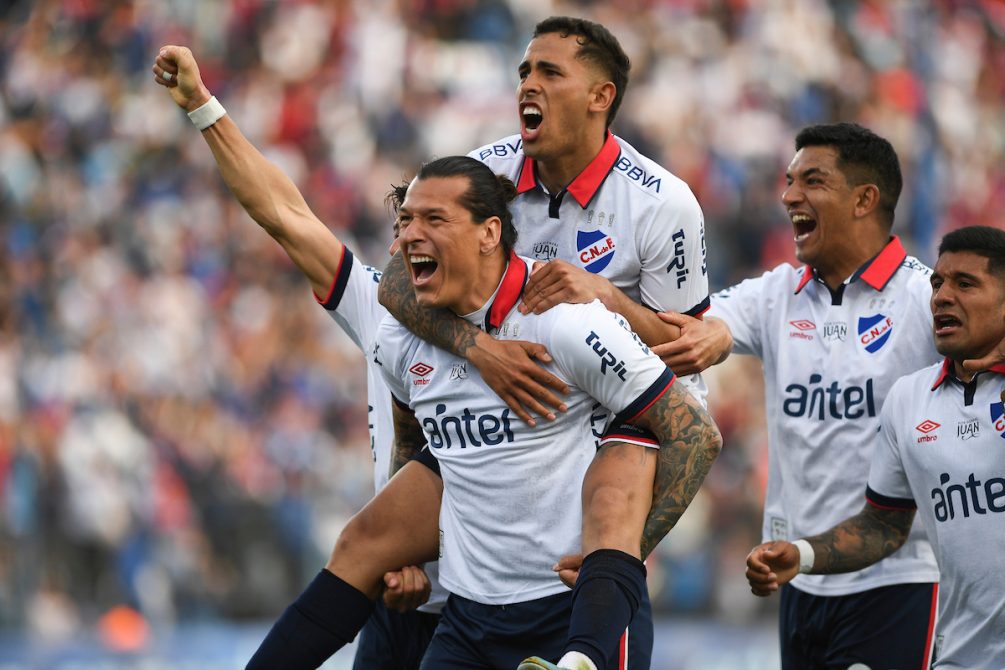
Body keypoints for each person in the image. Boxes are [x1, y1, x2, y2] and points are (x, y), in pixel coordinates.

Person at [377, 17, 725, 668]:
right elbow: (394, 287)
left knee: (607, 526)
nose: (527, 86)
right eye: (523, 73)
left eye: (549, 73)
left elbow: (686, 350)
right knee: (374, 538)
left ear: (600, 96)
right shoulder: (483, 173)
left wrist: (610, 300)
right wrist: (481, 350)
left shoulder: (662, 205)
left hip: (608, 426)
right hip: (495, 415)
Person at [151, 45, 444, 670]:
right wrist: (205, 109)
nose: (407, 239)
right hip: (392, 595)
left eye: (429, 223)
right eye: (402, 223)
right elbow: (286, 216)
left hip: (486, 610)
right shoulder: (380, 310)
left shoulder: (521, 332)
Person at [662, 123, 942, 668]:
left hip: (900, 580)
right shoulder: (775, 295)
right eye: (789, 181)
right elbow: (686, 329)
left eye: (812, 180)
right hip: (799, 577)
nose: (789, 195)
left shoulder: (926, 301)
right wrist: (705, 330)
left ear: (865, 199)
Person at [745, 225, 1005, 669]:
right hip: (961, 655)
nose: (942, 296)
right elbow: (883, 526)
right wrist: (802, 554)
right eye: (937, 283)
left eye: (966, 284)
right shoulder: (908, 400)